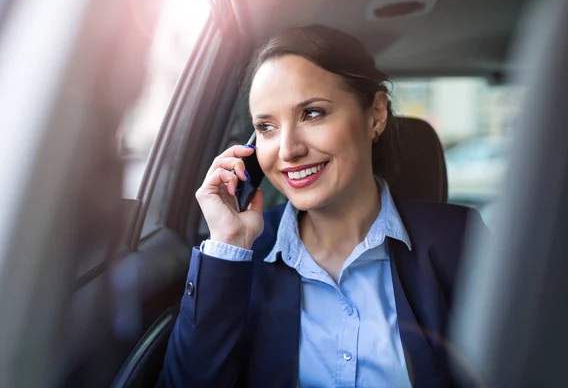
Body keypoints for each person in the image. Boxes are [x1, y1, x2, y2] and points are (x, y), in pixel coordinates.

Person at [161, 25, 485, 388]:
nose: (287, 150)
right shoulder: (240, 259)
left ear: (376, 114)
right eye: (266, 127)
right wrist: (228, 245)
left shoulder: (462, 239)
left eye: (312, 114)